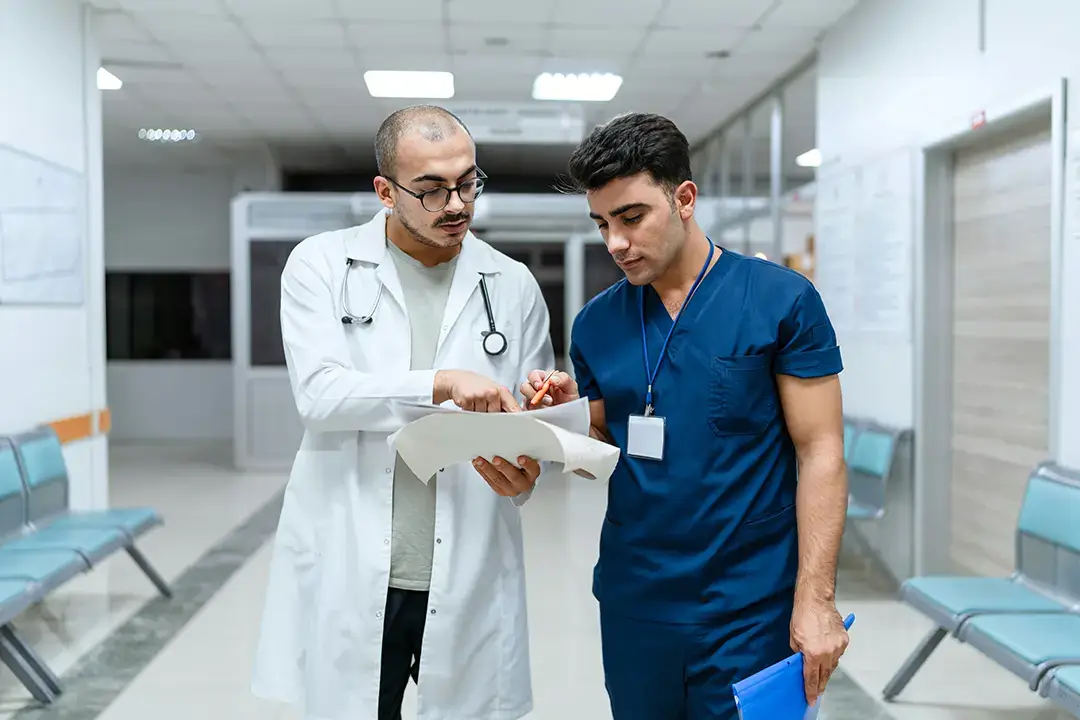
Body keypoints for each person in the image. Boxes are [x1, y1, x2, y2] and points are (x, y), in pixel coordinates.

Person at [521, 112, 850, 719]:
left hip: (751, 604)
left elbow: (821, 450)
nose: (615, 242)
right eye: (601, 224)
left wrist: (816, 598)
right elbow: (600, 441)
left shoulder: (780, 300)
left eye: (631, 217)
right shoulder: (597, 322)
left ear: (685, 199)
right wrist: (564, 407)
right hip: (636, 600)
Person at [251, 105, 555, 720]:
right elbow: (320, 395)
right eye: (432, 190)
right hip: (356, 558)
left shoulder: (511, 283)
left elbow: (524, 422)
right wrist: (441, 383)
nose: (457, 204)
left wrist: (533, 458)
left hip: (468, 557)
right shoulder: (321, 265)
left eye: (468, 182)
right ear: (386, 192)